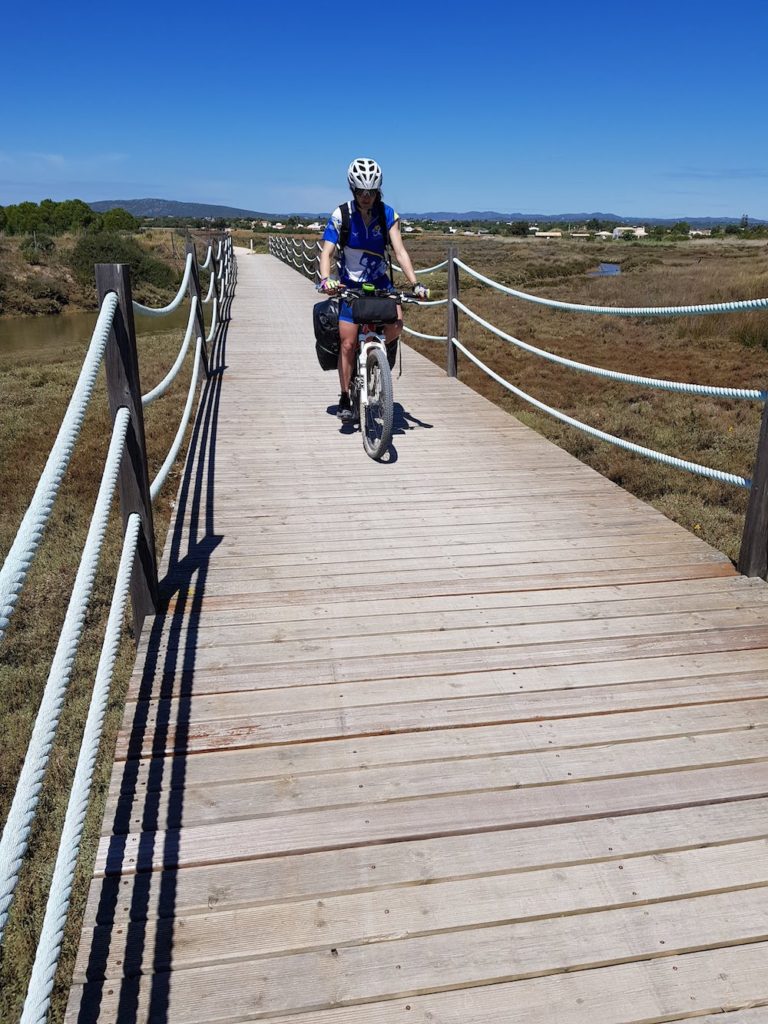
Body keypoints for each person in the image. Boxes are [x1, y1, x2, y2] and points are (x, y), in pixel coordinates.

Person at [318, 157, 428, 422]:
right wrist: (326, 279)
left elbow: (400, 251)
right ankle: (345, 395)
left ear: (378, 190)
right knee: (347, 342)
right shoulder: (341, 215)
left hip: (380, 285)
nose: (366, 197)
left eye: (371, 191)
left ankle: (382, 352)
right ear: (352, 190)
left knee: (397, 324)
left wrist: (416, 283)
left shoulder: (387, 214)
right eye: (360, 191)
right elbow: (327, 252)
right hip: (350, 287)